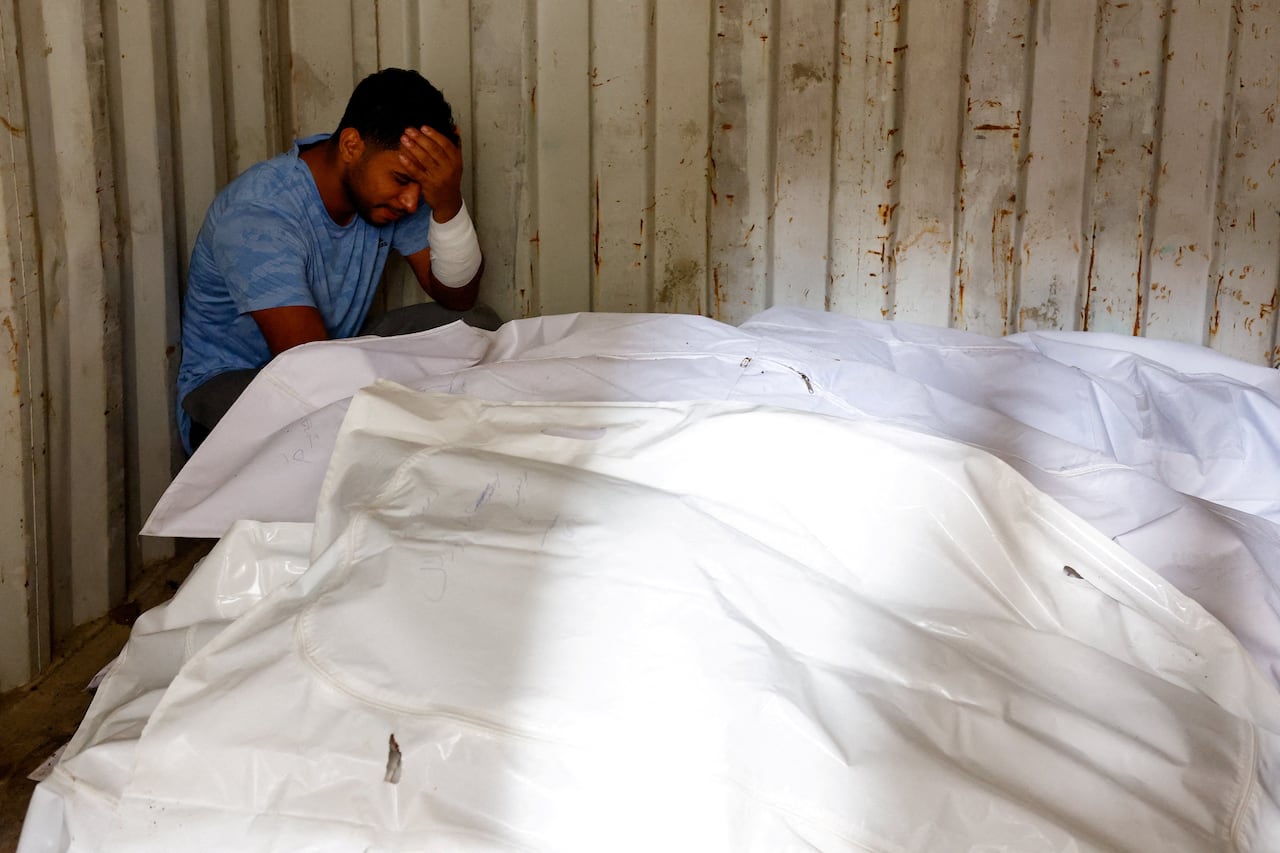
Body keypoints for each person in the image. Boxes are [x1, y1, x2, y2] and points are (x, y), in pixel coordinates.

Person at [175, 67, 498, 453]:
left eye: (422, 186)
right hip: (236, 383)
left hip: (332, 354)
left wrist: (447, 202)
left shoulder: (387, 196)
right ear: (351, 147)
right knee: (324, 425)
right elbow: (309, 366)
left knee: (473, 324)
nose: (412, 202)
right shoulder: (260, 212)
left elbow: (458, 297)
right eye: (400, 180)